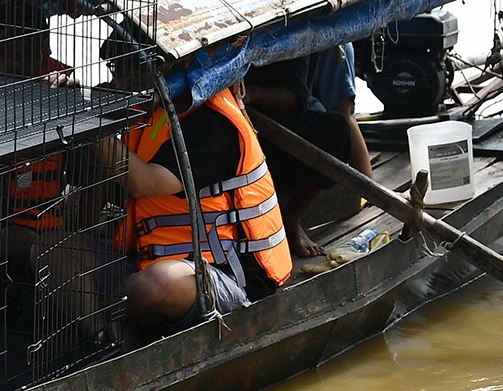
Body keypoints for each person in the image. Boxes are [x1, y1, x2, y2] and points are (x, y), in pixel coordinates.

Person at [99, 67, 293, 334]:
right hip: (146, 259)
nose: (118, 79)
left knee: (156, 285)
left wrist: (92, 125)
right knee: (53, 250)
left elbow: (144, 182)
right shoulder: (149, 116)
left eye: (128, 68)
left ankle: (111, 309)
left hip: (225, 274)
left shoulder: (211, 122)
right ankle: (97, 328)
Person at [244, 44, 374, 258]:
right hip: (245, 146)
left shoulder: (291, 37)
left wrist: (253, 93)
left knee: (336, 131)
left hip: (290, 146)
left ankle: (291, 218)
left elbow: (298, 98)